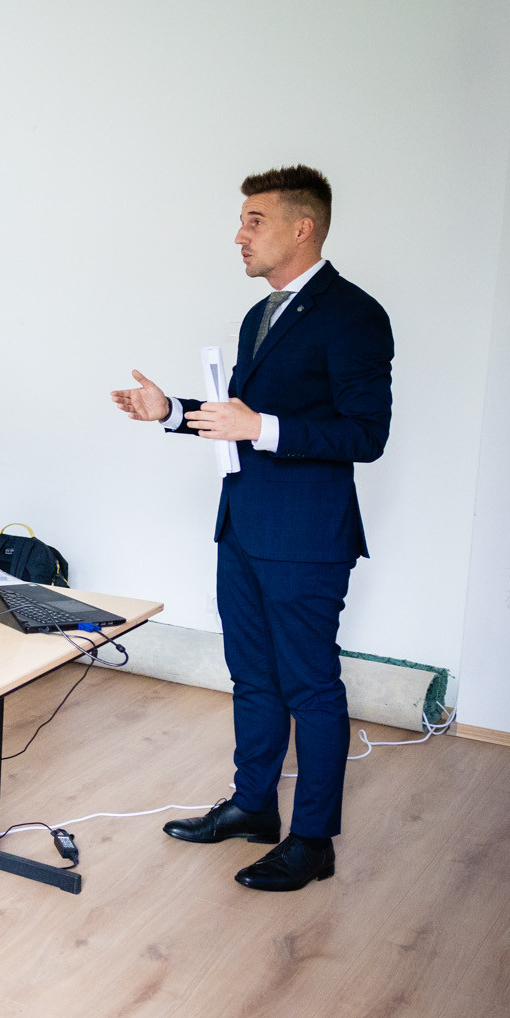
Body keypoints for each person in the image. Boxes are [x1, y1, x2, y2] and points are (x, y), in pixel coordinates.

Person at [110, 165, 393, 894]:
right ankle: (254, 806)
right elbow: (236, 420)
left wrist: (262, 425)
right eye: (241, 220)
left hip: (305, 538)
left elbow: (366, 433)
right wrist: (170, 412)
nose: (239, 234)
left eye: (254, 220)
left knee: (311, 687)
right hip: (242, 526)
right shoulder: (258, 315)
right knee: (252, 677)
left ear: (303, 227)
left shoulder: (354, 315)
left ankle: (313, 841)